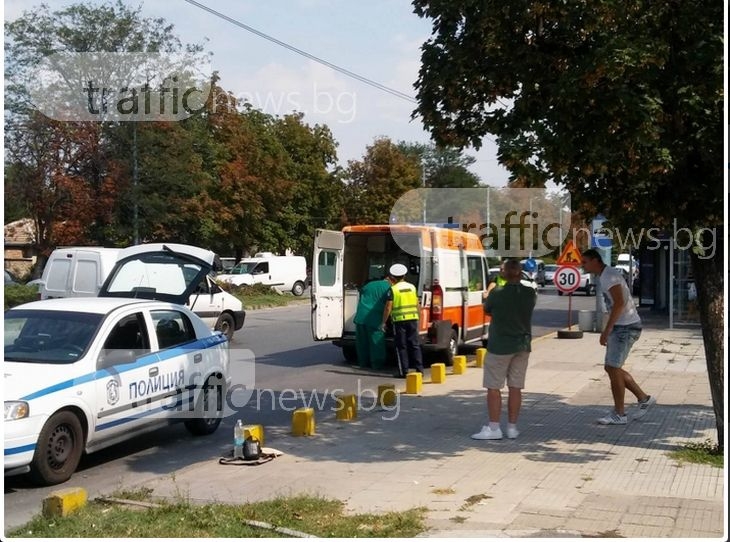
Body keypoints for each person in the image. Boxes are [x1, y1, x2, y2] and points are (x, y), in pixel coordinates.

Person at [582, 248, 655, 425]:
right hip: (622, 327)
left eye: (584, 262)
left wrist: (607, 330)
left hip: (625, 327)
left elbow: (620, 303)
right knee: (611, 368)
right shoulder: (605, 275)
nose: (582, 265)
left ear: (595, 260)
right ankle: (643, 398)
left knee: (613, 368)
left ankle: (620, 414)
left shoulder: (609, 276)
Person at [472, 258, 536, 440]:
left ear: (504, 273)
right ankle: (512, 428)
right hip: (522, 345)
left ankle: (494, 428)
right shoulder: (530, 293)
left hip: (500, 345)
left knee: (494, 387)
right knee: (516, 387)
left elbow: (488, 309)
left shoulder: (497, 293)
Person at [382, 263, 423, 378]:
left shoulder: (393, 290)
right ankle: (420, 370)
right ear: (404, 275)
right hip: (413, 319)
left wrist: (384, 322)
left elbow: (388, 307)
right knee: (415, 345)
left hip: (399, 321)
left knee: (401, 346)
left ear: (393, 277)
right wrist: (418, 318)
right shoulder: (412, 287)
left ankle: (404, 371)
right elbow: (417, 304)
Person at [353, 277, 392, 369]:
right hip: (375, 318)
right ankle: (377, 364)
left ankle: (363, 363)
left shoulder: (368, 285)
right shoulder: (389, 287)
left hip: (361, 317)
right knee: (376, 343)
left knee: (362, 342)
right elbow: (389, 304)